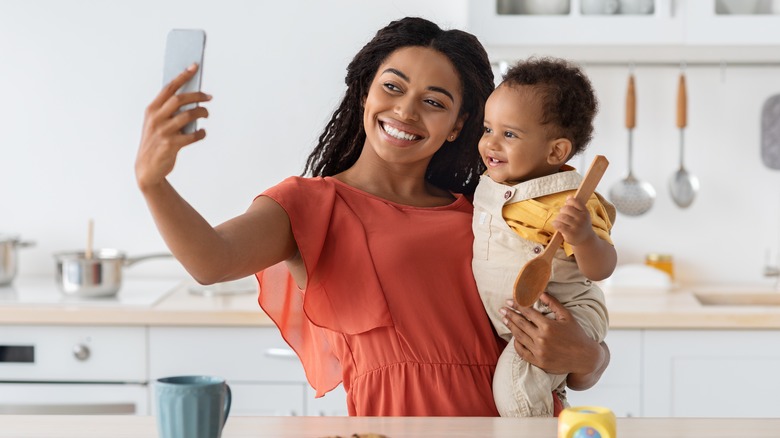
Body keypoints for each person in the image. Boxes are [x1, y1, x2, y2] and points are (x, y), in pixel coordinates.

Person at [135, 17, 610, 417]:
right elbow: (210, 261)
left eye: (434, 101)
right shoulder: (310, 204)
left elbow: (567, 316)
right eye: (393, 87)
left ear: (458, 126)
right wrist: (153, 183)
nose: (406, 110)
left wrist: (588, 355)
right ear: (366, 93)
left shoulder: (487, 214)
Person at [472, 57, 617, 417]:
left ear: (556, 151)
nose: (491, 143)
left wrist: (583, 236)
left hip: (565, 314)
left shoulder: (570, 203)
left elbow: (602, 268)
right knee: (540, 393)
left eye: (509, 135)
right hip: (523, 317)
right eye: (488, 129)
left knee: (515, 390)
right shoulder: (493, 183)